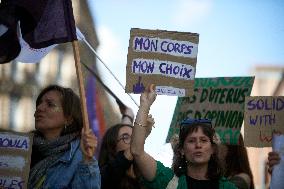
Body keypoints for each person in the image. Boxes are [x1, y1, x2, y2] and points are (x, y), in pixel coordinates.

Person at [131, 85, 237, 189]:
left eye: (204, 140)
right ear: (181, 150)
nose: (198, 145)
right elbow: (137, 151)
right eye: (191, 141)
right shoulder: (167, 181)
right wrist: (145, 105)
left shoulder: (228, 187)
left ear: (213, 149)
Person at [28, 85, 100, 189]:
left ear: (69, 118)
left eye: (50, 104)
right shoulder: (22, 147)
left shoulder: (80, 158)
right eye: (39, 103)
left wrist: (87, 161)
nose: (39, 108)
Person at [98, 111, 154, 189]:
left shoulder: (145, 178)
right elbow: (118, 165)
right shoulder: (102, 176)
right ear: (112, 147)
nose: (133, 140)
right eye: (126, 137)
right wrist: (142, 134)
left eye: (134, 136)